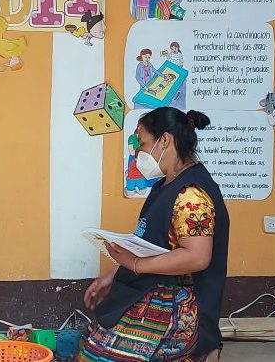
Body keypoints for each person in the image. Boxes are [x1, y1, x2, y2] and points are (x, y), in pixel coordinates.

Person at [80, 108, 229, 362]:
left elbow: (197, 257)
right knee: (91, 346)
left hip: (179, 304)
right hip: (152, 290)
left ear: (165, 140)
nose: (138, 152)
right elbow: (152, 242)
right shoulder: (165, 186)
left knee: (99, 356)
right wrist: (115, 273)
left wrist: (135, 264)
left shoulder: (191, 195)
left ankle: (201, 352)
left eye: (143, 143)